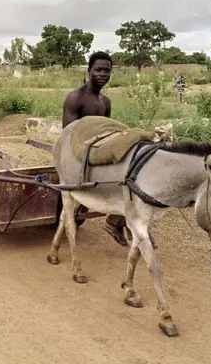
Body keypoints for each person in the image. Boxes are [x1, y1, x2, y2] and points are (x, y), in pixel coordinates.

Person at [57, 51, 158, 248]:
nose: (103, 74)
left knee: (130, 175)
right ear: (89, 71)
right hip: (78, 154)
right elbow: (68, 134)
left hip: (99, 151)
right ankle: (64, 220)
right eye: (98, 70)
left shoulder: (105, 102)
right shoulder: (75, 98)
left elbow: (107, 130)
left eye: (107, 71)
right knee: (67, 196)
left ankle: (119, 221)